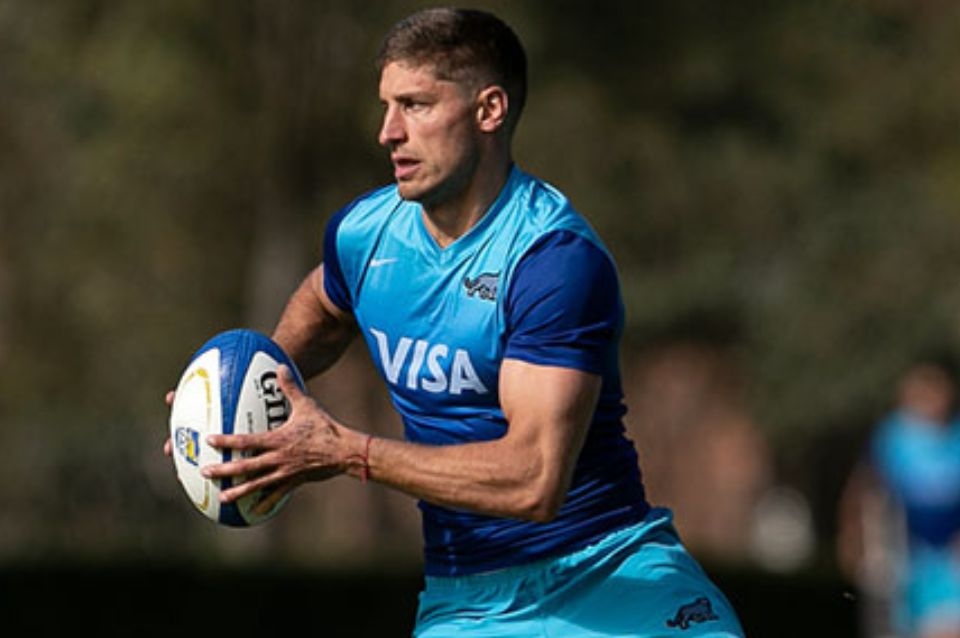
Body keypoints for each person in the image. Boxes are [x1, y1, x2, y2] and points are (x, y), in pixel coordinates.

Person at [176, 8, 744, 637]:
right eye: (386, 106)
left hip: (611, 575)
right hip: (470, 602)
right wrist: (246, 396)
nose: (388, 132)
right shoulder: (364, 236)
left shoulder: (551, 261)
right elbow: (326, 305)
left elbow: (535, 481)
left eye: (415, 105)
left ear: (489, 110)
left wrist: (347, 453)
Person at [838, 358, 960, 638]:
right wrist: (852, 538)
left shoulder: (955, 439)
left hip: (946, 564)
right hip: (899, 558)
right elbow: (863, 489)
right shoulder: (891, 439)